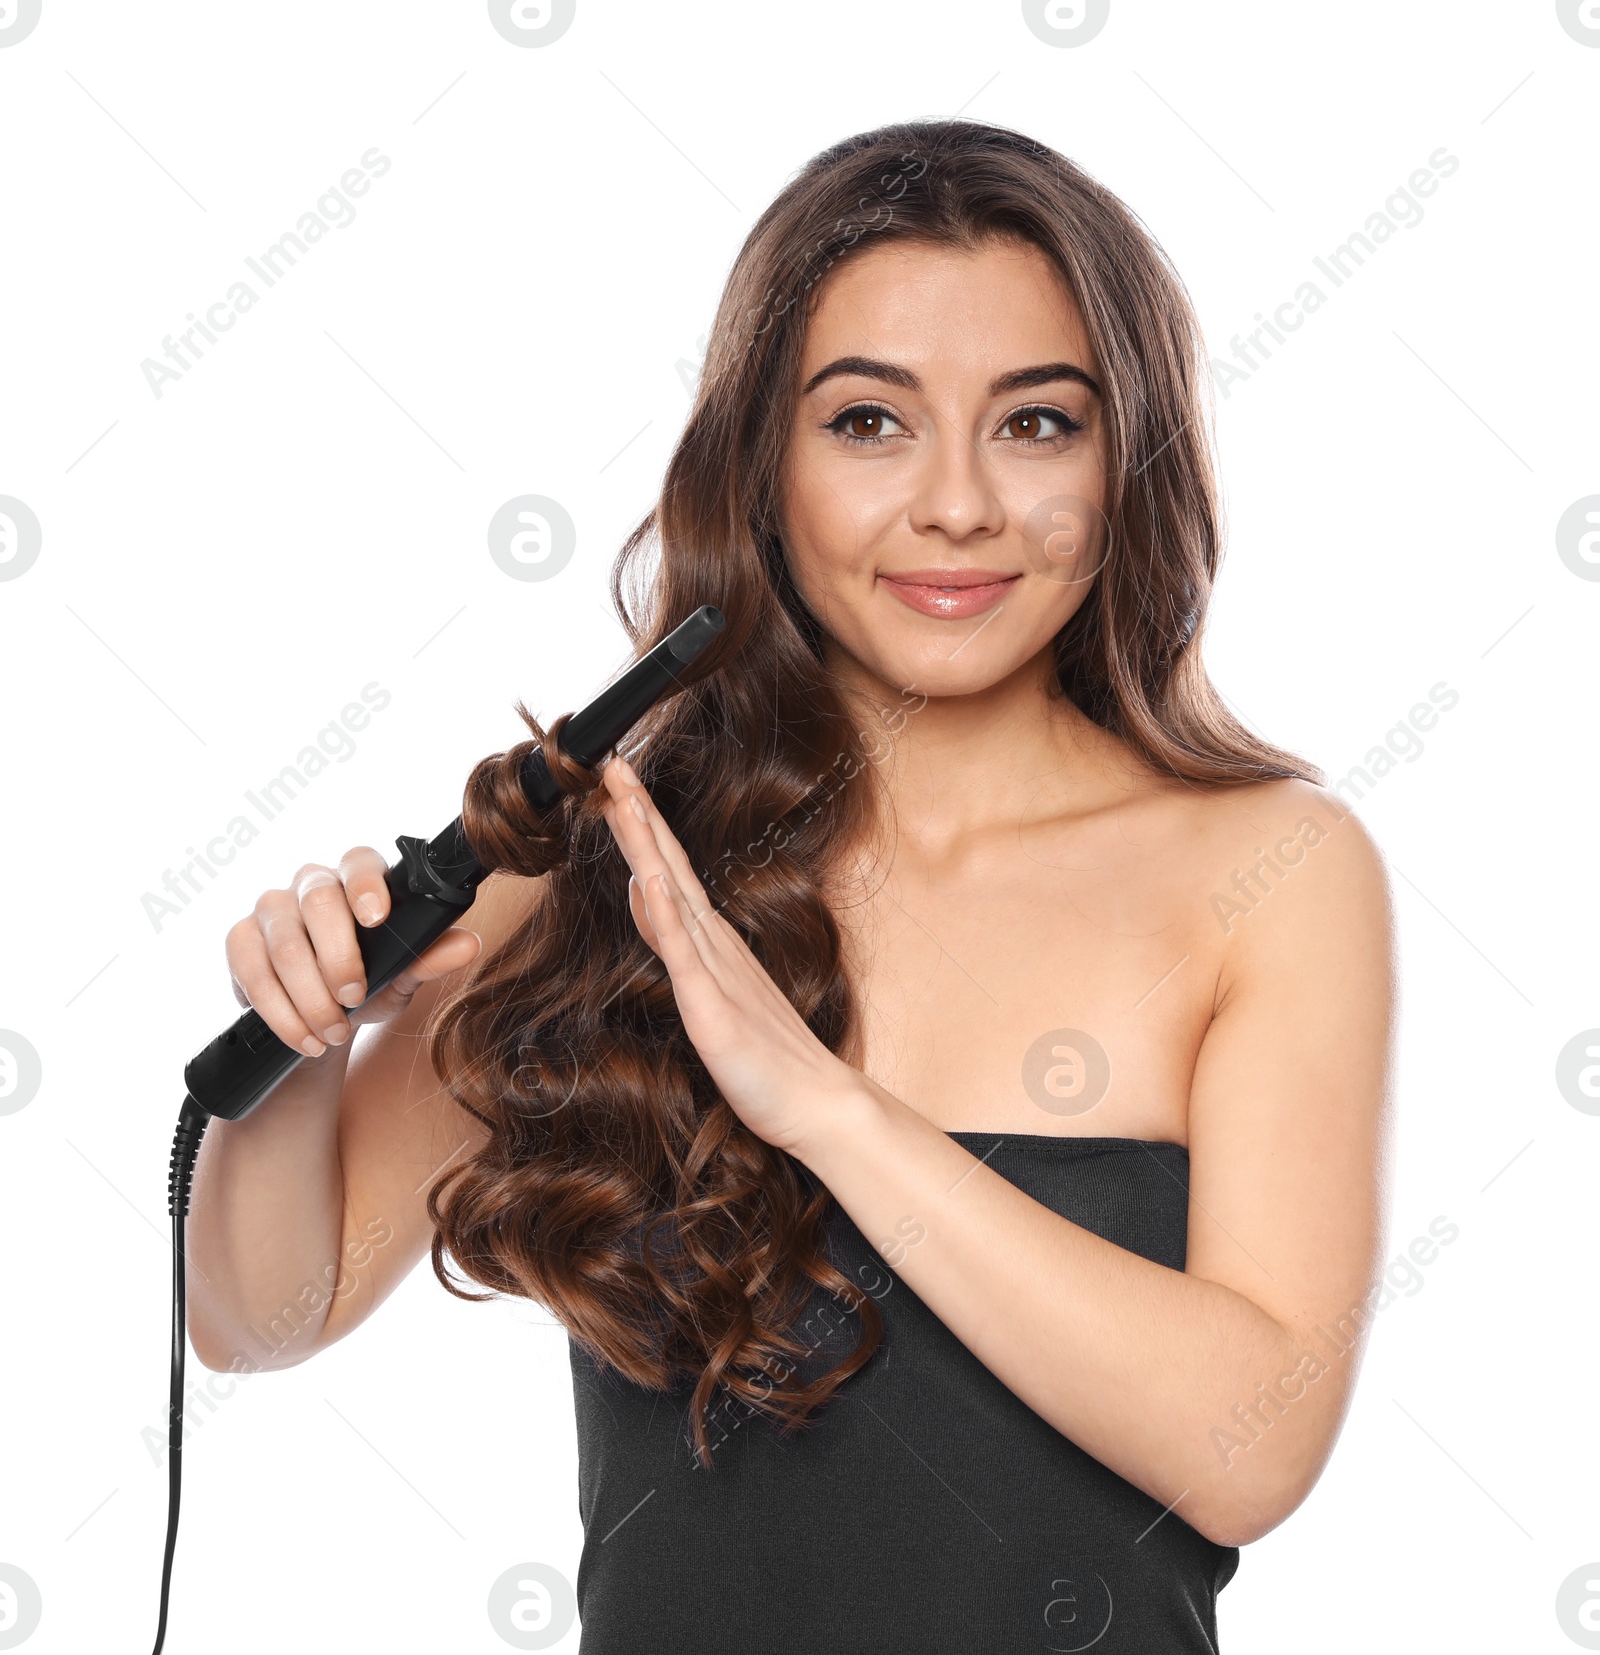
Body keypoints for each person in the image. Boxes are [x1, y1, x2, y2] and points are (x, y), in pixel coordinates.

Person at [186, 118, 1394, 1653]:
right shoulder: (619, 859)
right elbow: (258, 1318)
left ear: (1124, 457)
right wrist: (307, 1040)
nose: (956, 503)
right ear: (762, 461)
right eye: (870, 424)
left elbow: (1251, 1445)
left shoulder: (1269, 873)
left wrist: (825, 1109)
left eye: (1035, 425)